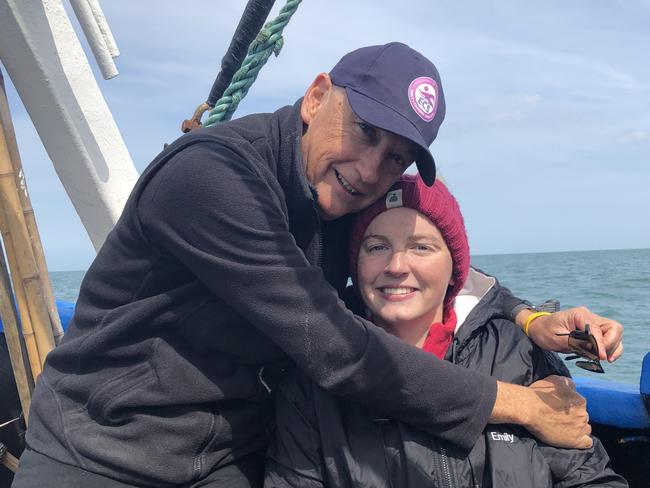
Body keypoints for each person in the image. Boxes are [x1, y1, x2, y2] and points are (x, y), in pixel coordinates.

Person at [12, 42, 623, 488]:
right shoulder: (212, 177)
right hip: (101, 451)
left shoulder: (333, 201)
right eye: (364, 131)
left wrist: (525, 318)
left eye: (396, 158)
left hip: (228, 456)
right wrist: (519, 404)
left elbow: (435, 262)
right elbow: (336, 346)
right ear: (315, 96)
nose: (369, 170)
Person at [265, 174, 628, 488]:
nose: (396, 266)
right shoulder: (315, 376)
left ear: (455, 266)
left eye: (421, 246)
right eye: (376, 247)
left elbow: (590, 477)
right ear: (354, 264)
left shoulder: (518, 354)